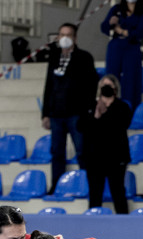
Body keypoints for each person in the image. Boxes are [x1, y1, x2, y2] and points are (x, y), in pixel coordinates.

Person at [41, 23, 98, 194]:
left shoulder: (84, 57)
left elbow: (91, 85)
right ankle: (56, 186)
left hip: (76, 114)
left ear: (75, 38)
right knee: (57, 153)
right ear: (58, 37)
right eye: (61, 34)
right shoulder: (54, 57)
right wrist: (45, 114)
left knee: (82, 152)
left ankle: (87, 185)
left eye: (68, 34)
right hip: (56, 115)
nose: (64, 37)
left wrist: (87, 111)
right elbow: (48, 86)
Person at [79, 74, 133, 214]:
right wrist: (96, 116)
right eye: (104, 86)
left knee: (118, 193)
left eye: (109, 86)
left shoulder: (122, 107)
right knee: (95, 194)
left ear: (115, 89)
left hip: (116, 158)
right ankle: (92, 226)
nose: (106, 89)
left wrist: (105, 114)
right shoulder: (90, 105)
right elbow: (81, 127)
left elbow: (122, 125)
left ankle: (123, 224)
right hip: (94, 158)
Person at [101, 0, 143, 109]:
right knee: (112, 77)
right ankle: (109, 107)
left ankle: (130, 110)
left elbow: (139, 33)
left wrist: (121, 30)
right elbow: (103, 27)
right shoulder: (116, 9)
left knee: (131, 79)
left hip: (132, 48)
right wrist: (110, 23)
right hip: (116, 46)